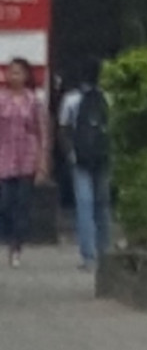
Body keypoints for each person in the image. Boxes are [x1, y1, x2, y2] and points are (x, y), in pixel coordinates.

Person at [58, 58, 112, 270]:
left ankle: (88, 257)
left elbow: (63, 129)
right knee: (103, 206)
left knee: (84, 205)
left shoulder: (71, 99)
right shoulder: (108, 98)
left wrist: (70, 153)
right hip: (103, 158)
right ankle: (106, 252)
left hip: (79, 159)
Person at [0, 58, 47, 267]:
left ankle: (16, 246)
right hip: (5, 156)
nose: (13, 76)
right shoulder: (1, 99)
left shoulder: (33, 100)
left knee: (22, 204)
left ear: (26, 76)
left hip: (27, 157)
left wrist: (42, 162)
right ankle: (9, 237)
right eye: (11, 72)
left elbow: (41, 132)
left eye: (18, 72)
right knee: (6, 203)